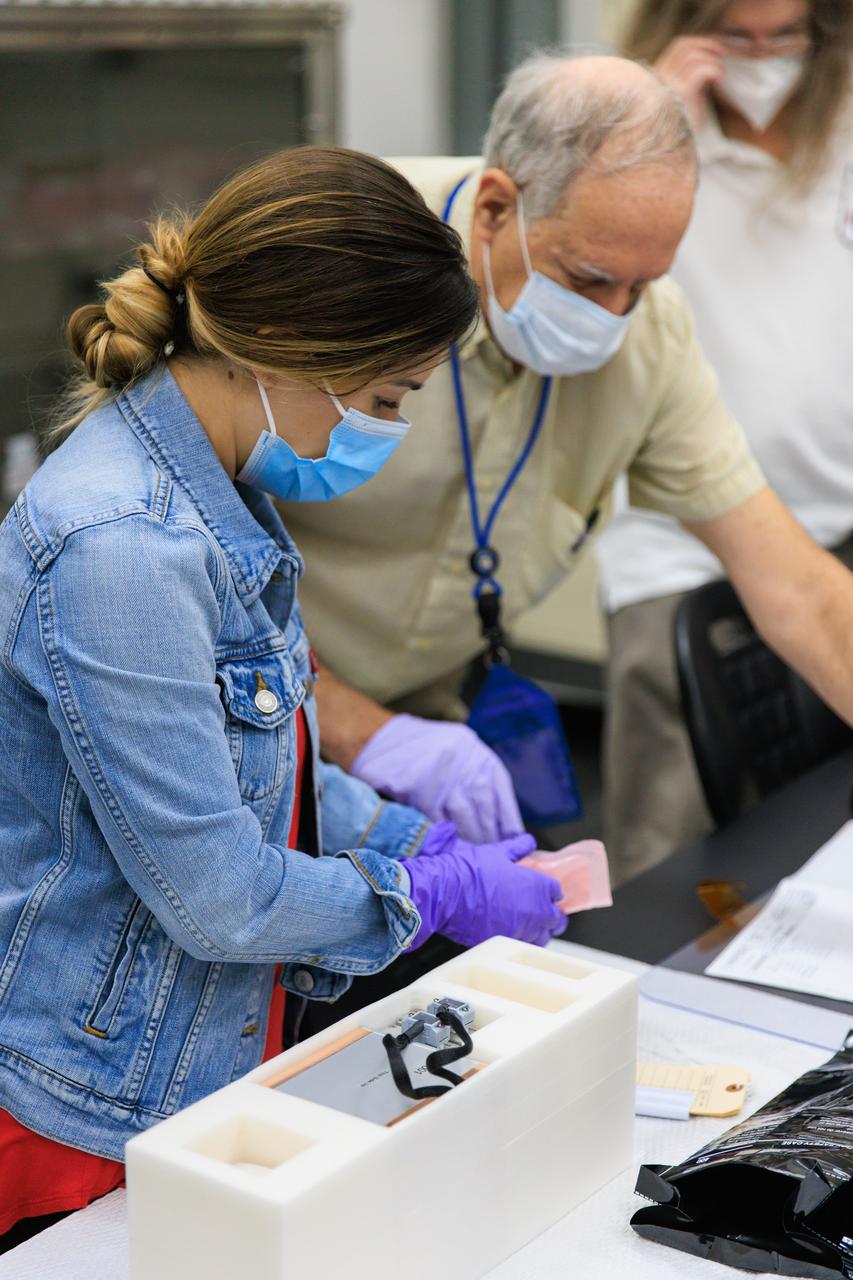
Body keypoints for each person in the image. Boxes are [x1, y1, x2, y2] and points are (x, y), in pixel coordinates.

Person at [0, 145, 568, 1250]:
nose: (383, 433)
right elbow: (218, 894)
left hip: (205, 1048)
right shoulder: (124, 547)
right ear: (290, 357)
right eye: (383, 397)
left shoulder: (223, 501)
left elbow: (259, 771)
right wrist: (422, 892)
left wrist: (412, 829)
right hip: (97, 1099)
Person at [282, 51, 853, 862]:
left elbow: (794, 587)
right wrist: (353, 728)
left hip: (430, 734)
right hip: (233, 717)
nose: (612, 317)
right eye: (587, 280)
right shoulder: (338, 254)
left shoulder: (647, 339)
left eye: (641, 285)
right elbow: (171, 565)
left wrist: (396, 742)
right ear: (493, 209)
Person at [595, 0, 853, 882]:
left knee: (820, 828)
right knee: (670, 860)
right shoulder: (630, 131)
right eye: (738, 37)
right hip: (674, 550)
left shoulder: (843, 123)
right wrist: (646, 125)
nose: (765, 59)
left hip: (835, 532)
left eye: (786, 36)